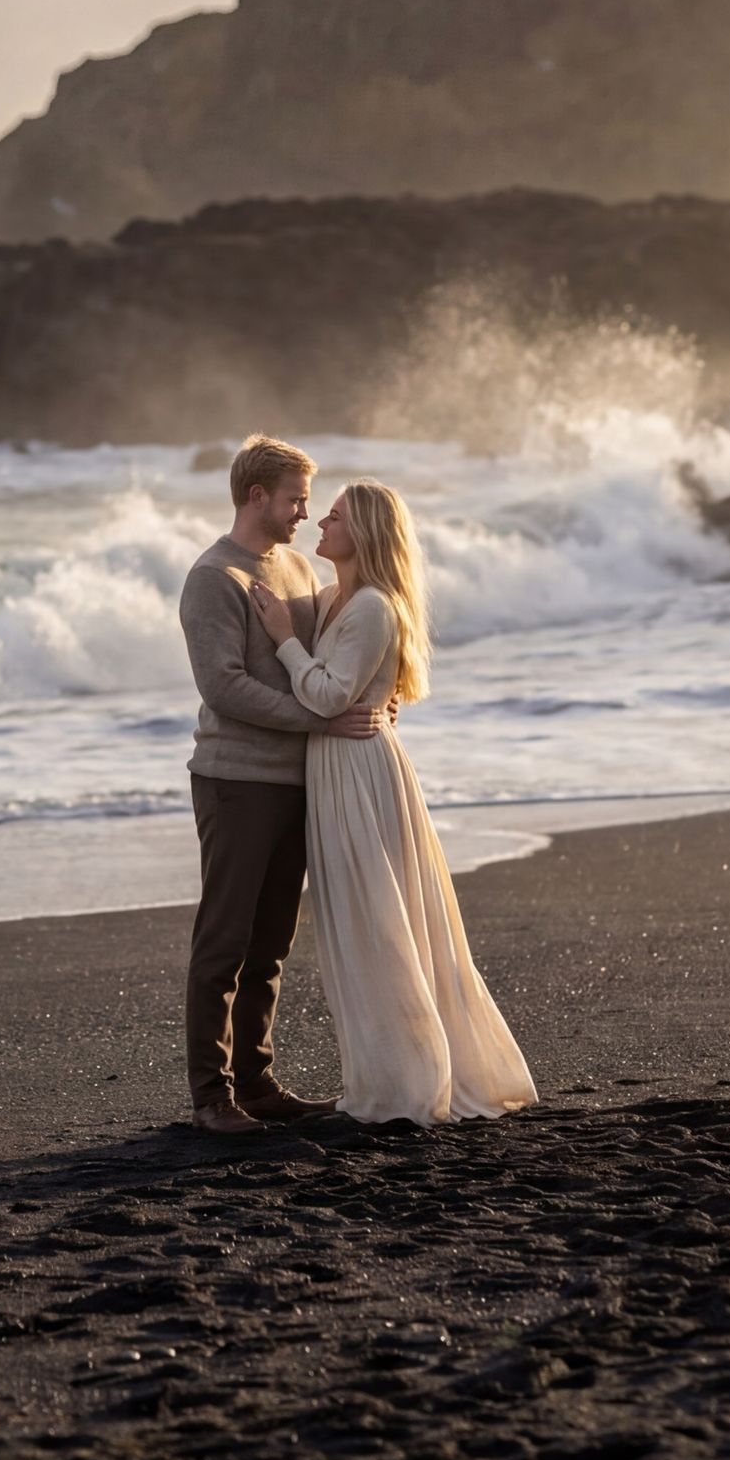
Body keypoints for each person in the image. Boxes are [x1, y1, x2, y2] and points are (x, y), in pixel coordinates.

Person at [248, 478, 537, 1126]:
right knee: (358, 927)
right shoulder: (331, 599)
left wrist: (283, 638)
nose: (321, 522)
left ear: (366, 532)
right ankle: (388, 1075)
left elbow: (329, 696)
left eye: (336, 515)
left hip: (360, 771)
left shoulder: (375, 607)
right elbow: (347, 688)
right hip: (335, 768)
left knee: (379, 923)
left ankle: (409, 1085)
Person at [173, 435, 385, 1136]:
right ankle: (212, 1097)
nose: (303, 512)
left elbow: (339, 652)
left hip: (297, 779)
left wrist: (377, 698)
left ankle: (257, 1084)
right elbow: (223, 687)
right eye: (295, 499)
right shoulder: (214, 577)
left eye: (308, 500)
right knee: (224, 941)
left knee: (270, 945)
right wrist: (318, 720)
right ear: (256, 495)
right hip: (235, 780)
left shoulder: (296, 567)